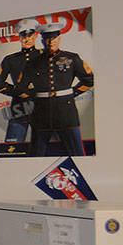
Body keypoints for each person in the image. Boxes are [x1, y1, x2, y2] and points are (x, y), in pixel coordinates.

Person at [25, 22, 94, 156]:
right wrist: (33, 96)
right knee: (35, 156)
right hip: (41, 114)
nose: (51, 42)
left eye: (54, 38)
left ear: (59, 38)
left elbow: (89, 79)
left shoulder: (72, 58)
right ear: (42, 40)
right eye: (47, 38)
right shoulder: (33, 63)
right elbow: (22, 86)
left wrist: (71, 93)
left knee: (77, 154)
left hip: (66, 113)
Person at [0, 18, 40, 145]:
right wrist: (18, 92)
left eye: (30, 34)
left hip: (43, 107)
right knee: (11, 149)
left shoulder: (44, 56)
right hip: (19, 107)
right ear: (19, 37)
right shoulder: (10, 59)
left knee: (49, 149)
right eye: (23, 35)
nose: (26, 38)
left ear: (36, 35)